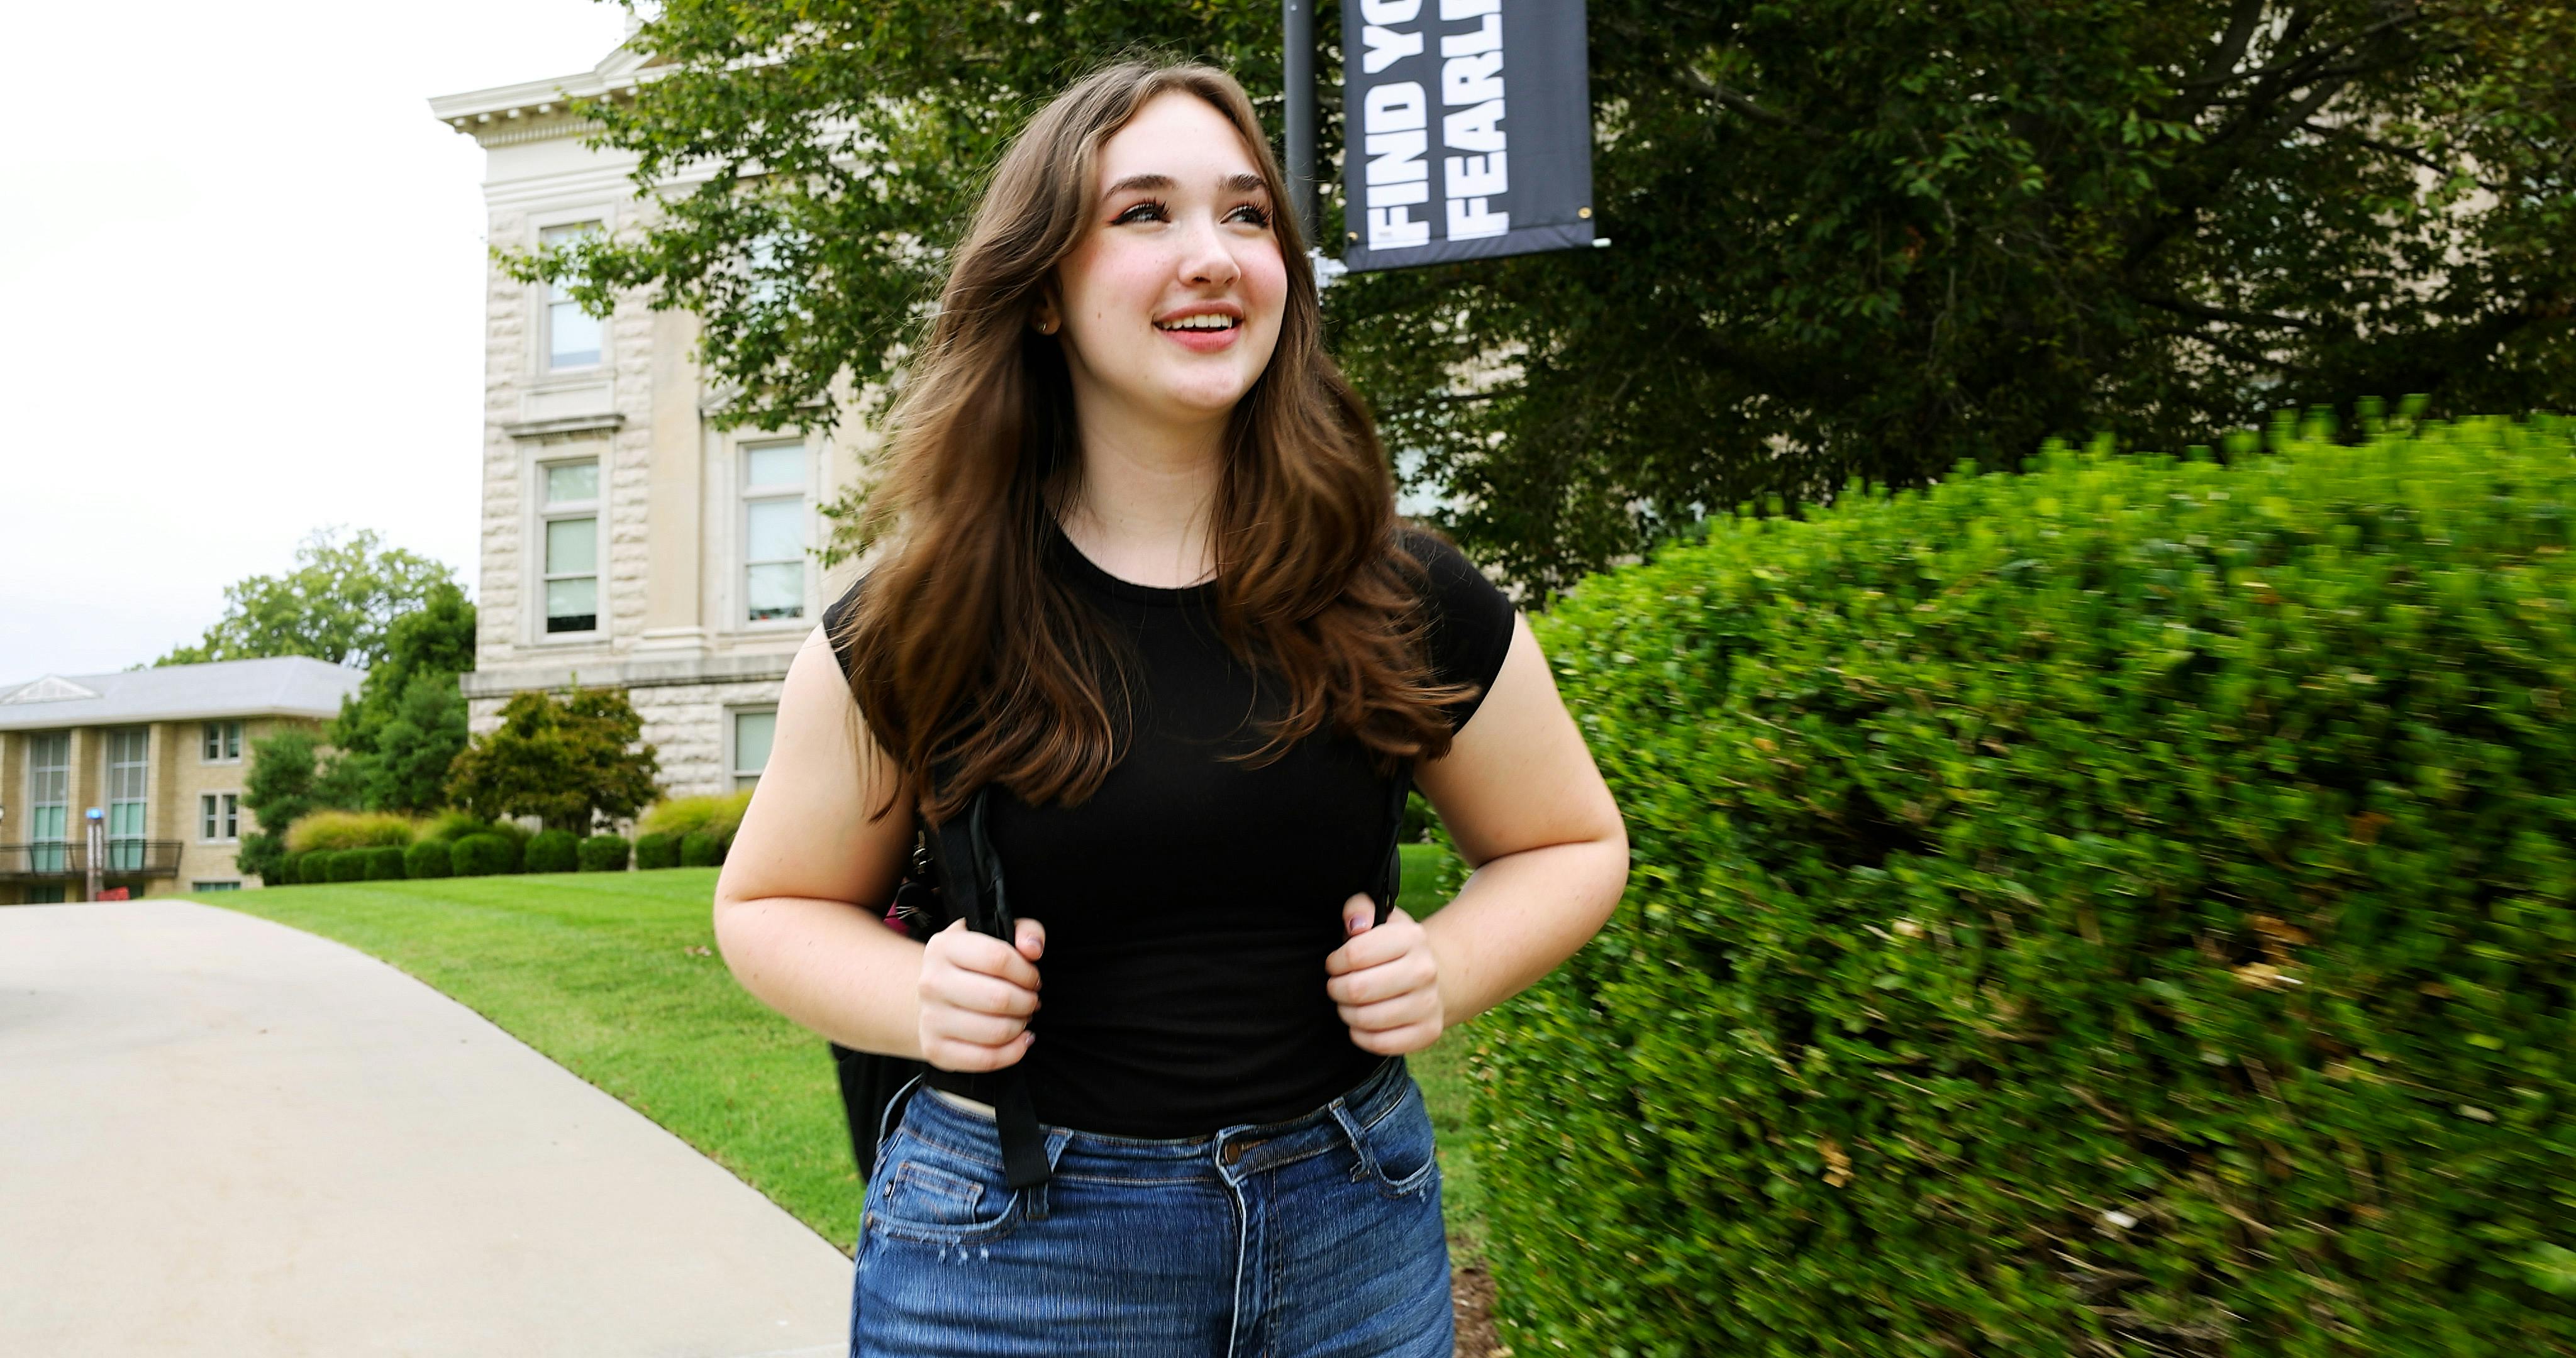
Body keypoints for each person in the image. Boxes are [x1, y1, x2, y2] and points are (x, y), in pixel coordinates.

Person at [713, 58, 1628, 1358]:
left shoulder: (1399, 589)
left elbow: (1570, 842)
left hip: (1351, 1241)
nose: (1214, 255)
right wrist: (914, 994)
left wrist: (1447, 966)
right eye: (1144, 213)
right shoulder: (923, 622)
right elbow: (768, 907)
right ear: (1041, 288)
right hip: (1016, 1260)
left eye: (1247, 215)